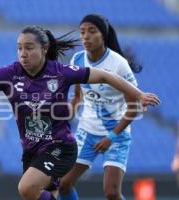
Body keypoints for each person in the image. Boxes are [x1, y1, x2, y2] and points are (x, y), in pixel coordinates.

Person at [0, 25, 159, 200]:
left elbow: (105, 76)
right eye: (19, 48)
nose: (23, 53)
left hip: (61, 148)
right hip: (32, 151)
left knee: (26, 188)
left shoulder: (60, 72)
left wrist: (138, 94)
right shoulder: (9, 74)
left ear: (44, 48)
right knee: (44, 195)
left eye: (29, 48)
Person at [58, 14, 144, 200]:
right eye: (82, 32)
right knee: (63, 184)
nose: (85, 36)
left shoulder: (119, 64)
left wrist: (111, 136)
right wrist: (65, 117)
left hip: (116, 134)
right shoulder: (77, 60)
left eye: (91, 31)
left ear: (102, 35)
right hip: (87, 131)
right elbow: (78, 96)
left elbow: (133, 107)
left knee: (112, 193)